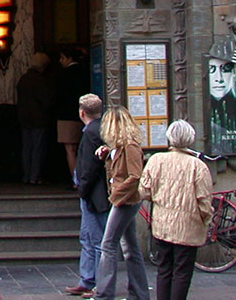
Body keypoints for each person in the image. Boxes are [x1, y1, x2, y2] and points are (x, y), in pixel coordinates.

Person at [139, 120, 213, 300]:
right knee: (182, 272)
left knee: (164, 269)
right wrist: (206, 220)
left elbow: (144, 191)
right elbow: (204, 201)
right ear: (190, 139)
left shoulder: (156, 160)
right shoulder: (198, 166)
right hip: (189, 227)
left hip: (162, 225)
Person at [90, 106, 149, 300]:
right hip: (125, 199)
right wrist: (107, 154)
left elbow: (135, 175)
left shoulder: (130, 147)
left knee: (108, 244)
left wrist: (116, 194)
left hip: (126, 201)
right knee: (130, 248)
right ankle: (139, 293)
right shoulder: (119, 147)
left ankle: (104, 293)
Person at [64, 94, 109, 297]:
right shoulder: (98, 129)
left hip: (93, 194)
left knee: (95, 239)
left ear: (82, 112)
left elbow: (90, 167)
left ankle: (98, 283)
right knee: (88, 237)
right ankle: (87, 279)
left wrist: (82, 188)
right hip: (92, 193)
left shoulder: (91, 132)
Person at [55, 48, 90, 185]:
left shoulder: (63, 75)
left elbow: (58, 95)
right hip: (84, 115)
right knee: (84, 148)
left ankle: (76, 181)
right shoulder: (85, 72)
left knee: (70, 149)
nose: (60, 61)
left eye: (62, 58)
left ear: (69, 58)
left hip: (66, 115)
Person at [17, 52, 52, 184]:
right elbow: (47, 100)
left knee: (26, 148)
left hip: (24, 118)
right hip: (39, 118)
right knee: (37, 148)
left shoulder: (23, 79)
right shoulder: (40, 80)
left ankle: (26, 176)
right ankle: (35, 176)